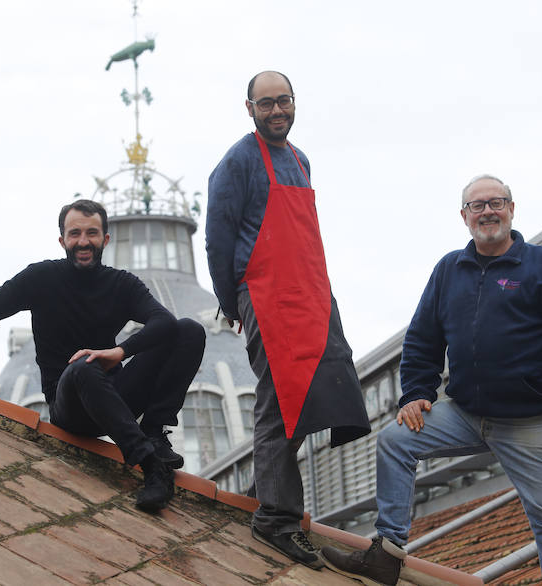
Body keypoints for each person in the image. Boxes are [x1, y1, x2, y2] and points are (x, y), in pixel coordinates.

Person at [322, 175, 542, 585]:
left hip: (531, 421)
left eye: (496, 202)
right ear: (464, 216)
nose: (488, 212)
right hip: (466, 414)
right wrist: (415, 393)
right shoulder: (449, 270)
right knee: (396, 440)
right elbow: (422, 338)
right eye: (477, 205)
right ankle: (387, 553)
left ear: (511, 209)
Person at [0, 199, 205, 513]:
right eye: (75, 233)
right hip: (71, 408)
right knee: (83, 366)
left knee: (189, 330)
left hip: (115, 399)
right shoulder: (41, 278)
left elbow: (164, 321)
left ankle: (155, 432)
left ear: (105, 239)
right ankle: (151, 466)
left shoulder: (121, 284)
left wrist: (119, 352)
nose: (83, 241)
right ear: (62, 240)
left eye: (92, 233)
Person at [206, 70, 371, 569]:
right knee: (280, 399)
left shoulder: (301, 160)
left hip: (312, 294)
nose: (276, 111)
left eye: (284, 101)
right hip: (265, 294)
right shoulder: (237, 162)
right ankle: (276, 519)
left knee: (317, 392)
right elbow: (218, 240)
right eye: (266, 104)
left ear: (294, 102)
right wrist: (233, 302)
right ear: (250, 109)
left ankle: (263, 492)